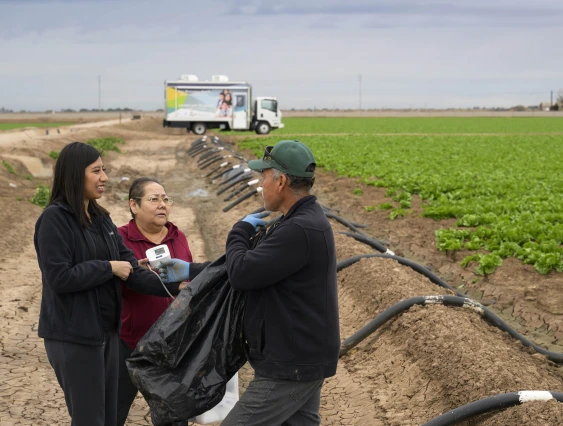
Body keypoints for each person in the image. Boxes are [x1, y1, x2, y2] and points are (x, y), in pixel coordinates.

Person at [161, 140, 340, 425]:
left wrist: (239, 231)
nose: (260, 184)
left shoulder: (298, 229)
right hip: (301, 357)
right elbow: (259, 266)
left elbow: (242, 272)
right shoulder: (298, 222)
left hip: (289, 365)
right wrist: (189, 270)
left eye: (264, 176)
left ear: (280, 181)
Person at [34, 142, 186, 426]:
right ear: (75, 175)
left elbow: (132, 271)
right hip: (73, 336)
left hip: (106, 333)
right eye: (96, 171)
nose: (104, 177)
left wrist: (179, 286)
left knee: (107, 416)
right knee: (90, 418)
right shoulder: (54, 220)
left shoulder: (101, 219)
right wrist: (107, 268)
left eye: (104, 170)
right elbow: (59, 277)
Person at [116, 177, 209, 426]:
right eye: (154, 199)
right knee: (113, 411)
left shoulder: (178, 237)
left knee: (173, 416)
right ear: (134, 205)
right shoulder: (120, 239)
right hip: (131, 344)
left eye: (166, 199)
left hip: (173, 347)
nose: (162, 205)